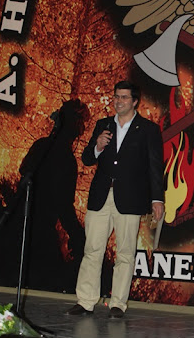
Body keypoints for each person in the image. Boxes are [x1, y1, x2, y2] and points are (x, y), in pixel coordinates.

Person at [66, 80, 164, 318]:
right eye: (116, 97)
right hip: (101, 195)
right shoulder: (103, 125)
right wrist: (97, 146)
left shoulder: (148, 129)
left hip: (130, 197)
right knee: (92, 249)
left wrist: (157, 199)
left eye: (124, 97)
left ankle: (118, 303)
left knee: (126, 253)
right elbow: (87, 159)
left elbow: (154, 166)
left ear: (135, 101)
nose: (118, 101)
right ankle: (86, 301)